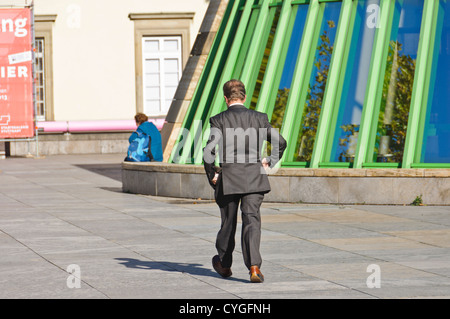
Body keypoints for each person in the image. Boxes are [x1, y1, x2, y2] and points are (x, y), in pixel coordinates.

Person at [203, 79, 286, 283]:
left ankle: (224, 263)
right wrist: (269, 161)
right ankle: (254, 267)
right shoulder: (259, 118)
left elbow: (208, 152)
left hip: (229, 178)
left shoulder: (218, 120)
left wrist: (213, 174)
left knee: (228, 223)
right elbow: (281, 142)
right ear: (245, 97)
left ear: (225, 98)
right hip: (254, 178)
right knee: (252, 220)